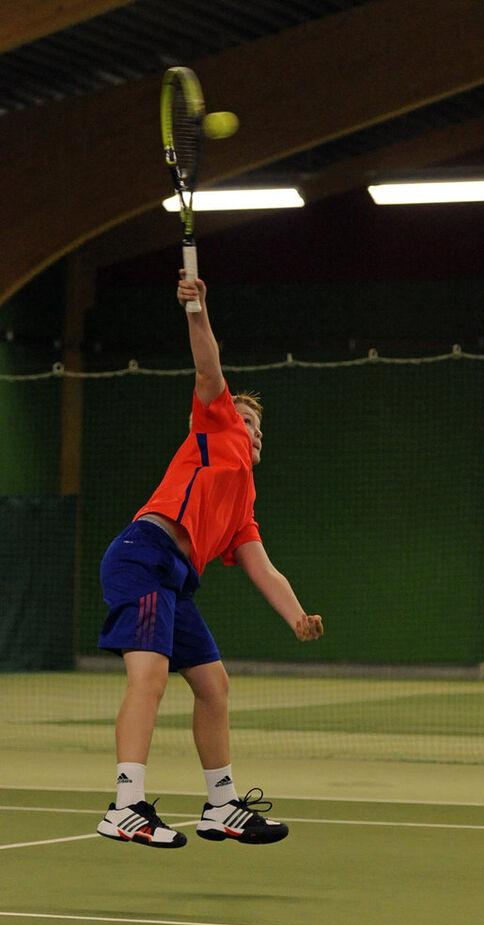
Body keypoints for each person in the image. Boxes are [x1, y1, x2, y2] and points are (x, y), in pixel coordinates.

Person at [96, 271, 323, 849]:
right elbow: (208, 370)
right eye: (244, 418)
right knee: (149, 677)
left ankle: (221, 806)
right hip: (143, 556)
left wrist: (297, 617)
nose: (250, 428)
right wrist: (196, 310)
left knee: (214, 685)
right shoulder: (214, 426)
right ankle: (125, 806)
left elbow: (263, 569)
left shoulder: (243, 505)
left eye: (257, 425)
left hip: (175, 581)